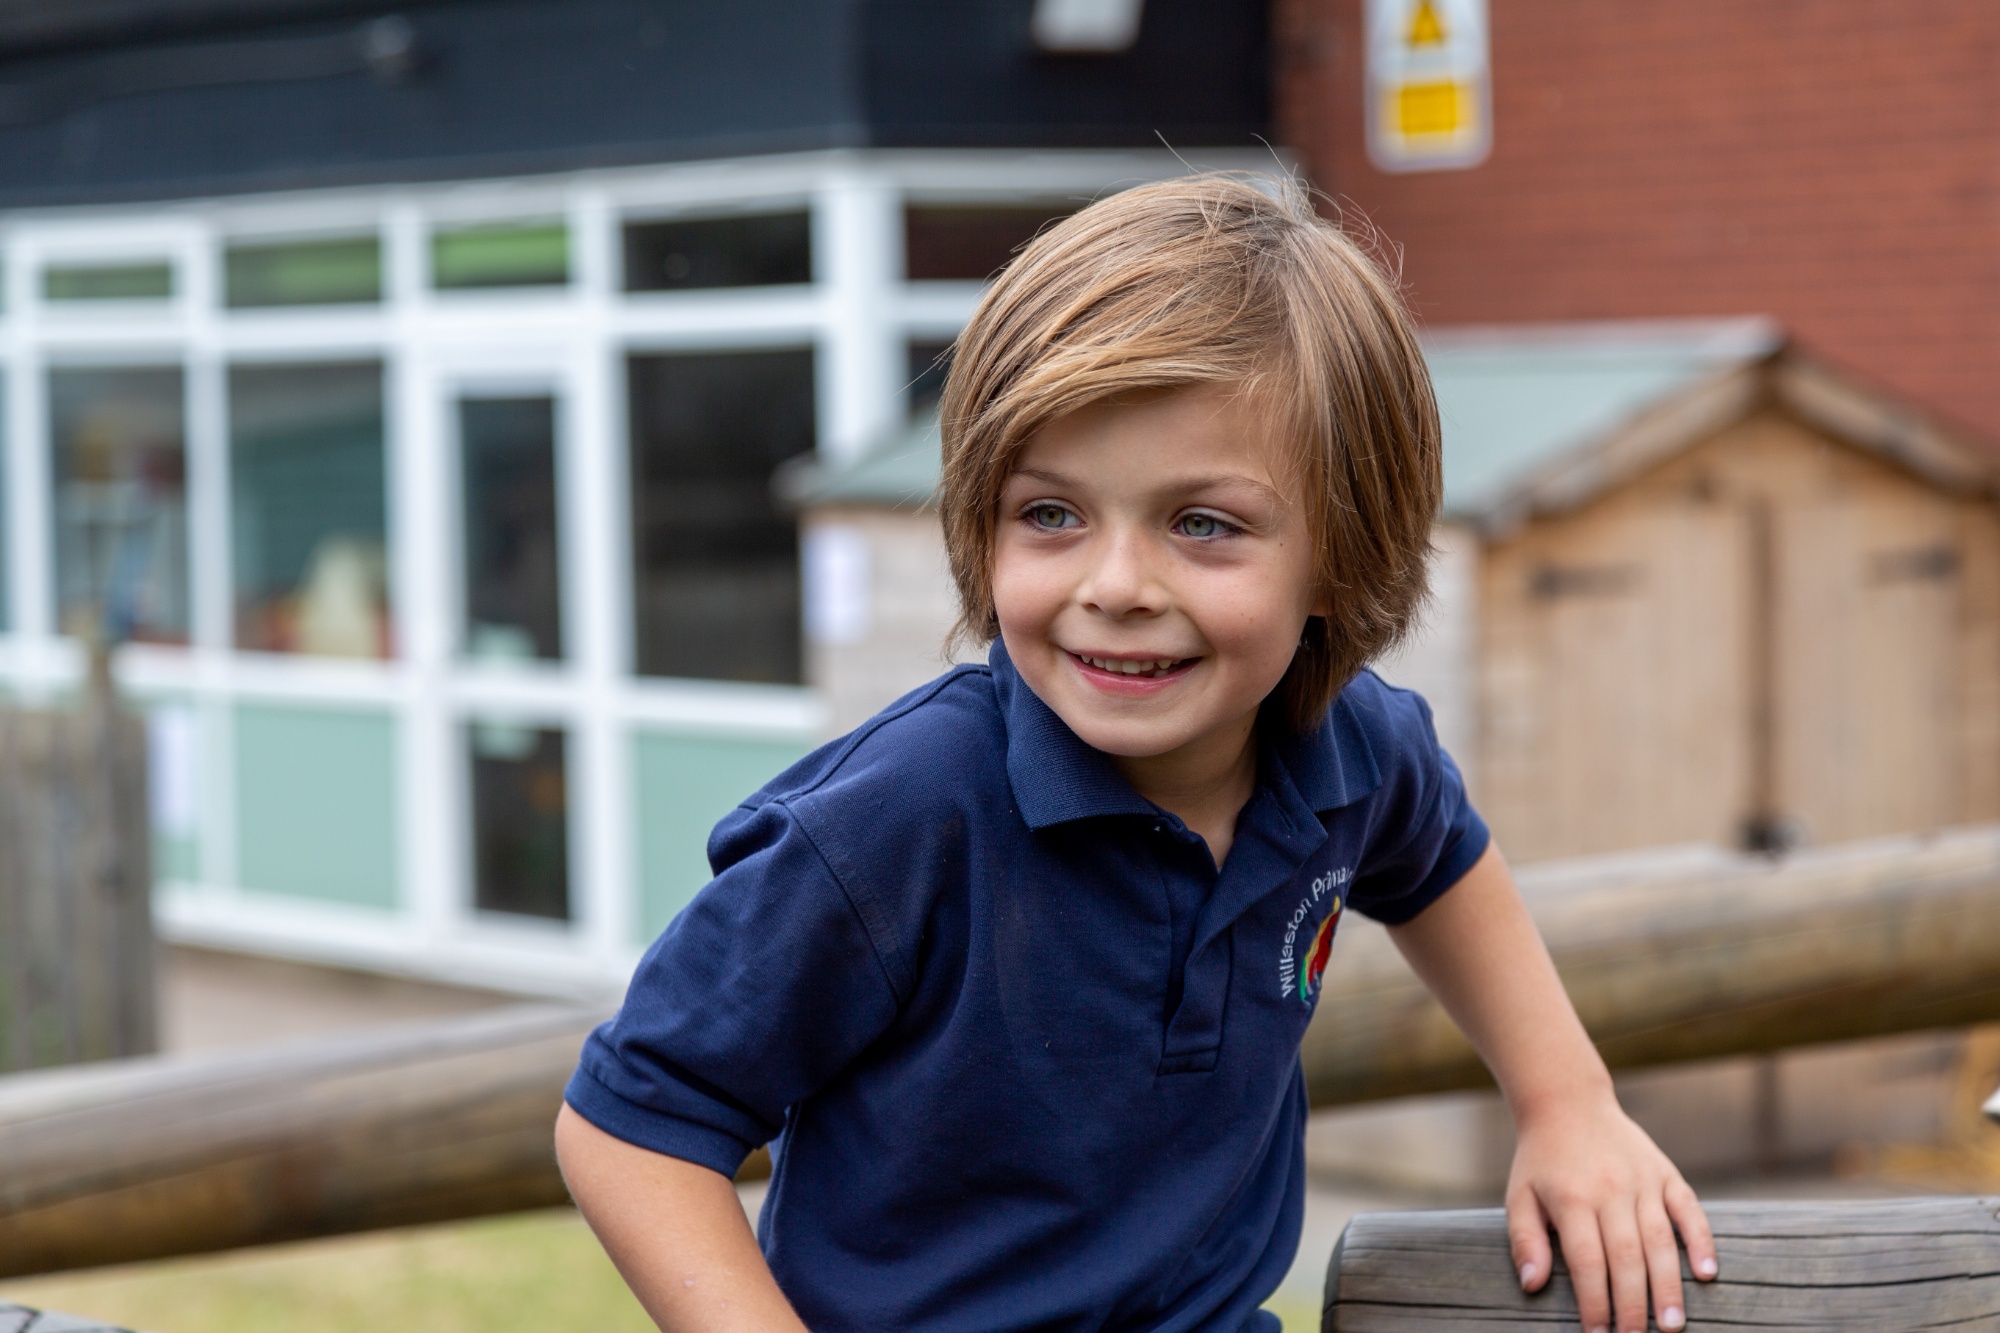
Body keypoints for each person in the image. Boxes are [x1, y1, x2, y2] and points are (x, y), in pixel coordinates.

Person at [555, 173, 1716, 1333]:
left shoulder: (1350, 749)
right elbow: (630, 1124)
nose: (1114, 586)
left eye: (1201, 523)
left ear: (1339, 555)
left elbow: (1438, 858)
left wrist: (1566, 1103)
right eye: (1049, 514)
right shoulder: (896, 817)